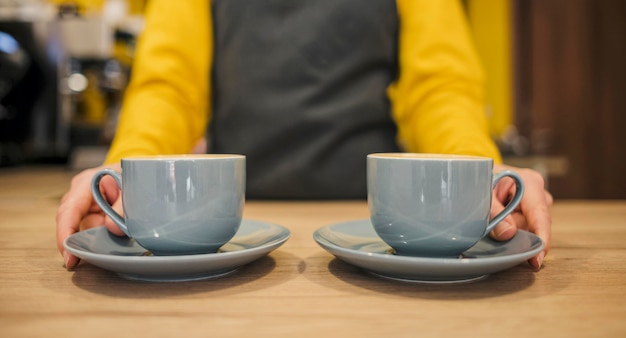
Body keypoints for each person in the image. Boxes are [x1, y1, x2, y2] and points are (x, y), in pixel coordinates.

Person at [56, 0, 552, 270]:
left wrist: (475, 175)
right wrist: (129, 173)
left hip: (376, 237)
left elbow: (438, 85)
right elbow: (170, 85)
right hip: (240, 234)